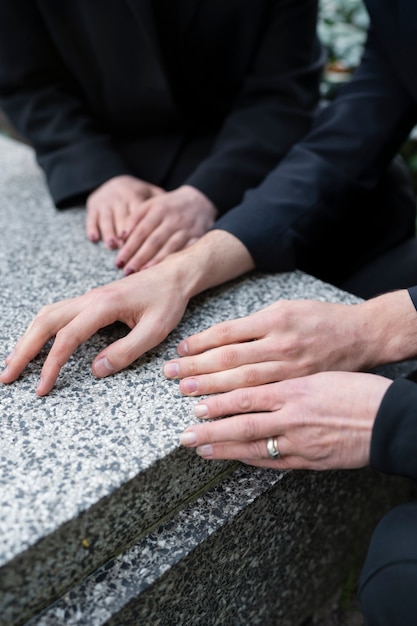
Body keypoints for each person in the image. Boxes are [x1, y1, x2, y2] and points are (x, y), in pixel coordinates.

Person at [1, 0, 417, 398]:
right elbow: (373, 105)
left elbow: (288, 91)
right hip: (283, 197)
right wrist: (182, 270)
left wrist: (370, 330)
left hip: (322, 201)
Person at [0, 0, 324, 272]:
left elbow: (282, 92)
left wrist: (208, 192)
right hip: (99, 155)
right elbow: (27, 79)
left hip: (245, 167)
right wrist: (95, 170)